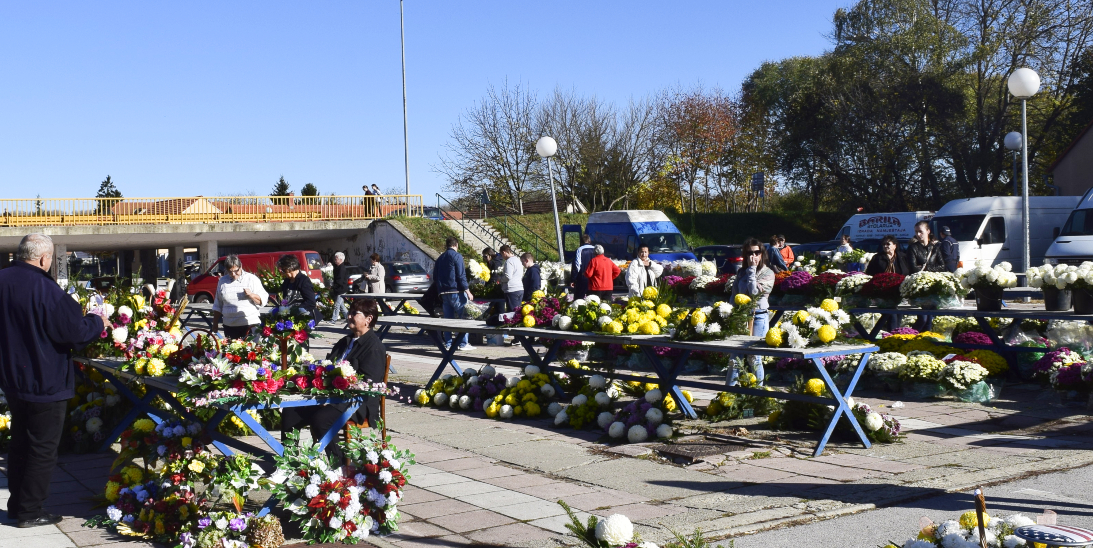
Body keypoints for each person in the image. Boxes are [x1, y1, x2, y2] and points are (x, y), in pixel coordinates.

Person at [0, 234, 104, 528]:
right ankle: (30, 511)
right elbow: (75, 333)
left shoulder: (3, 280)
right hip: (45, 381)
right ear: (44, 259)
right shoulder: (47, 290)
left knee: (21, 443)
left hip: (12, 377)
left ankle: (18, 506)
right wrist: (98, 322)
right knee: (42, 449)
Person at [281, 298, 386, 462]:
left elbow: (368, 383)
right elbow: (328, 365)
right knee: (291, 411)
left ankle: (338, 464)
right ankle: (289, 461)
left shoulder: (373, 347)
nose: (349, 316)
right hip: (331, 396)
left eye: (354, 313)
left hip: (357, 401)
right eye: (349, 312)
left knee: (321, 419)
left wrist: (334, 396)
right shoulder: (345, 341)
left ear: (368, 319)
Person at [729, 238, 775, 387]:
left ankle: (758, 393)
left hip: (758, 316)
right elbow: (734, 295)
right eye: (750, 252)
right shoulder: (741, 272)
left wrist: (752, 271)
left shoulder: (768, 273)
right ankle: (728, 391)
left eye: (757, 252)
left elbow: (755, 293)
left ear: (762, 254)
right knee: (734, 357)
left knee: (754, 357)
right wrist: (729, 313)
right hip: (742, 316)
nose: (753, 256)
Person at [211, 255, 269, 339]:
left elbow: (263, 300)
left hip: (249, 324)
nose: (233, 274)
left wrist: (251, 295)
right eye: (230, 272)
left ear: (240, 266)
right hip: (229, 325)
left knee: (251, 351)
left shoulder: (251, 279)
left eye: (236, 271)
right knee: (232, 351)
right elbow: (218, 304)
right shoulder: (222, 281)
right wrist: (215, 323)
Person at [433, 236, 475, 350]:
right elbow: (461, 275)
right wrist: (468, 290)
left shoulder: (440, 258)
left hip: (443, 292)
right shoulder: (457, 256)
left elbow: (435, 277)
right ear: (456, 245)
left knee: (448, 320)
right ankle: (463, 343)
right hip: (456, 291)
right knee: (464, 317)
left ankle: (449, 343)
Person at [278, 254, 317, 319]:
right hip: (288, 317)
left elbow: (311, 302)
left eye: (284, 270)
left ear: (290, 267)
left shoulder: (304, 280)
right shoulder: (286, 281)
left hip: (301, 318)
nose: (283, 272)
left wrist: (296, 310)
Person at [498, 245, 523, 312]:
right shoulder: (517, 260)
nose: (502, 257)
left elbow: (508, 276)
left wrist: (500, 278)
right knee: (518, 312)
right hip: (519, 288)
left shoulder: (509, 261)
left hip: (512, 290)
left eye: (501, 254)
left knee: (512, 312)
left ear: (504, 252)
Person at [570, 234, 595, 299]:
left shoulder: (579, 250)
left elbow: (577, 266)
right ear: (590, 241)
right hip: (594, 278)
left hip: (582, 277)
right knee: (593, 299)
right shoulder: (595, 249)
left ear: (581, 242)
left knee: (579, 298)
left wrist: (573, 279)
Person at [329, 252, 349, 322]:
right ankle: (348, 318)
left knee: (336, 305)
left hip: (341, 289)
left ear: (341, 259)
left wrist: (332, 286)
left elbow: (339, 281)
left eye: (336, 258)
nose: (335, 259)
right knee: (341, 306)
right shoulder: (338, 267)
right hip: (338, 289)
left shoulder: (341, 269)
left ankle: (334, 319)